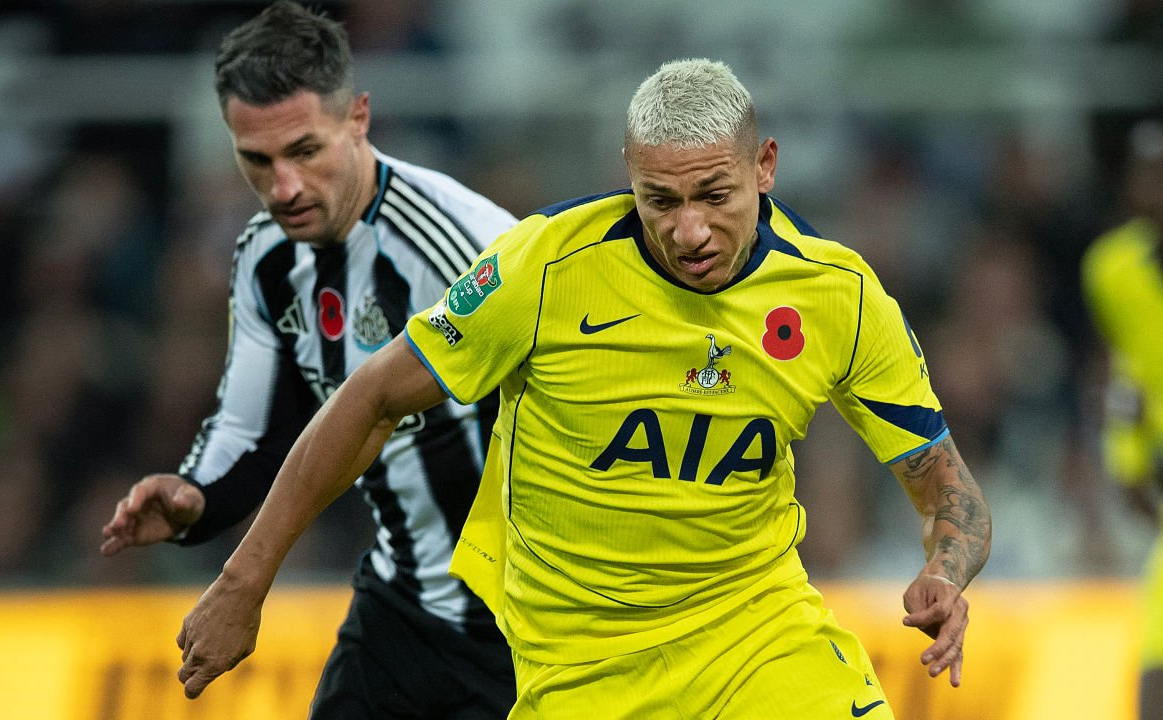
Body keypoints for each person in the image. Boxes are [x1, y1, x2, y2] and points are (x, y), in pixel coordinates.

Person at [174, 58, 993, 719]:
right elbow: (370, 399)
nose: (689, 231)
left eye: (715, 195)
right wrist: (243, 583)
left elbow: (948, 491)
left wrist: (947, 574)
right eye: (659, 201)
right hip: (580, 666)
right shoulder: (544, 267)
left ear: (765, 166)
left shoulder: (837, 297)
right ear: (628, 175)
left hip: (757, 640)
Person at [98, 2, 518, 717]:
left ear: (358, 116)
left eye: (304, 150)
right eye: (255, 160)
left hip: (522, 628)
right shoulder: (265, 256)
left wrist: (243, 581)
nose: (283, 187)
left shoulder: (465, 246)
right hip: (401, 609)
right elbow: (255, 428)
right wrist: (198, 497)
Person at [1083, 118, 1163, 720]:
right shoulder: (1112, 268)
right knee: (1153, 652)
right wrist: (1126, 460)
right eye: (1146, 170)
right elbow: (1124, 373)